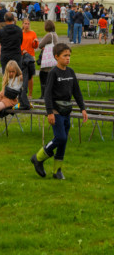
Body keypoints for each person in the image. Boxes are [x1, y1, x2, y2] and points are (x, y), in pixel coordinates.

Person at [31, 43, 88, 180]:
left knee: (63, 141)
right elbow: (47, 94)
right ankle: (38, 157)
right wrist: (50, 112)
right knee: (60, 137)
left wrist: (83, 108)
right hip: (56, 111)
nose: (68, 58)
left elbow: (77, 92)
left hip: (66, 111)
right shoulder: (53, 73)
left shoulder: (71, 72)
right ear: (56, 57)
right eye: (64, 56)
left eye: (69, 55)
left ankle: (57, 171)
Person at [37, 20, 59, 98]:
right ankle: (49, 94)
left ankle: (44, 95)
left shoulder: (49, 35)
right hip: (54, 59)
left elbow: (40, 45)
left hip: (48, 60)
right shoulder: (55, 34)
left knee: (43, 76)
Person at [21, 19, 39, 98]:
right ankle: (22, 93)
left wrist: (35, 42)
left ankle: (30, 94)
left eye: (28, 24)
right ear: (22, 24)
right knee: (21, 75)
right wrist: (22, 50)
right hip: (22, 55)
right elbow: (17, 43)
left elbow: (35, 46)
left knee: (30, 76)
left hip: (31, 56)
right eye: (25, 23)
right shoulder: (20, 33)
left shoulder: (33, 33)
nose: (27, 25)